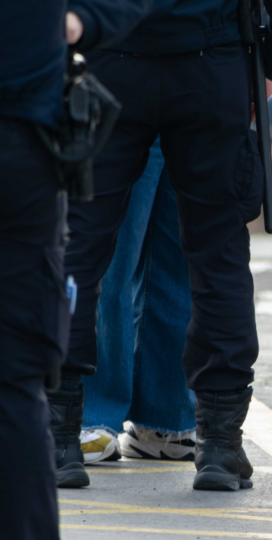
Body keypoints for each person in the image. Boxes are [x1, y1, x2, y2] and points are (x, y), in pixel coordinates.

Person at [51, 0, 272, 491]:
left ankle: (59, 437)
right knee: (219, 254)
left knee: (77, 247)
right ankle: (220, 447)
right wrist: (269, 62)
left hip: (108, 56)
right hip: (213, 62)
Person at [0, 0, 151, 540]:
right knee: (9, 385)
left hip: (17, 149)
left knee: (7, 385)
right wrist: (75, 19)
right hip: (21, 154)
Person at [80, 138, 197, 464]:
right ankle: (168, 423)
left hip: (135, 107)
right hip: (196, 105)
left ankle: (95, 418)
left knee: (113, 262)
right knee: (175, 265)